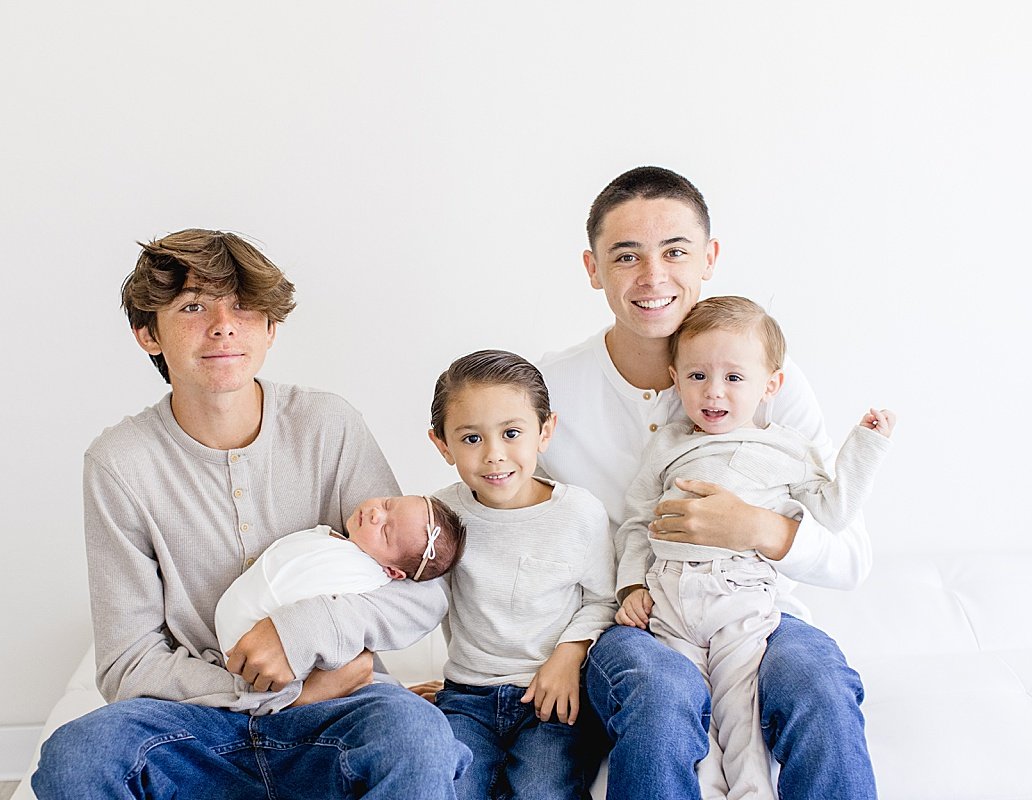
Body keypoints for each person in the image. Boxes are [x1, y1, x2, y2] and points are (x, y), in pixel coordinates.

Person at [32, 229, 470, 799]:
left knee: (419, 740)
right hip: (197, 726)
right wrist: (271, 692)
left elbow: (420, 590)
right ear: (148, 334)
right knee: (75, 757)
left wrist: (303, 634)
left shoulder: (328, 425)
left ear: (270, 328)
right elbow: (127, 663)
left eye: (243, 306)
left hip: (339, 707)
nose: (223, 326)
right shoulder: (119, 463)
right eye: (192, 307)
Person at [537, 167, 879, 800]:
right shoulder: (551, 391)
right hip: (638, 625)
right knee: (664, 694)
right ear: (593, 268)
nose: (652, 276)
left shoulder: (765, 373)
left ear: (710, 258)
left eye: (675, 252)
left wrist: (757, 529)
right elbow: (515, 531)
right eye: (625, 255)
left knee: (819, 687)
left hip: (762, 613)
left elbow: (850, 555)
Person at [615, 296, 895, 799]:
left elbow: (834, 511)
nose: (714, 391)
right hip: (669, 598)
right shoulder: (669, 443)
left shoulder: (788, 450)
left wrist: (864, 448)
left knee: (740, 709)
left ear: (771, 385)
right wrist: (632, 584)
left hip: (740, 597)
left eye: (734, 378)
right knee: (686, 710)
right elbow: (638, 521)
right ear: (675, 378)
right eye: (697, 376)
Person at [425, 349, 617, 800]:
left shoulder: (578, 513)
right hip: (466, 696)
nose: (494, 455)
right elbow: (414, 596)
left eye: (512, 433)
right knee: (449, 788)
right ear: (442, 445)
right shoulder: (441, 515)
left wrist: (568, 657)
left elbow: (603, 599)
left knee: (542, 791)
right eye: (471, 438)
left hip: (552, 698)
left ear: (545, 431)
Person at [214, 494, 466, 715]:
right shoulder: (334, 541)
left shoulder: (366, 575)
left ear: (393, 572)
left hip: (250, 653)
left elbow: (427, 599)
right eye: (388, 503)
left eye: (386, 532)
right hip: (246, 647)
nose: (376, 513)